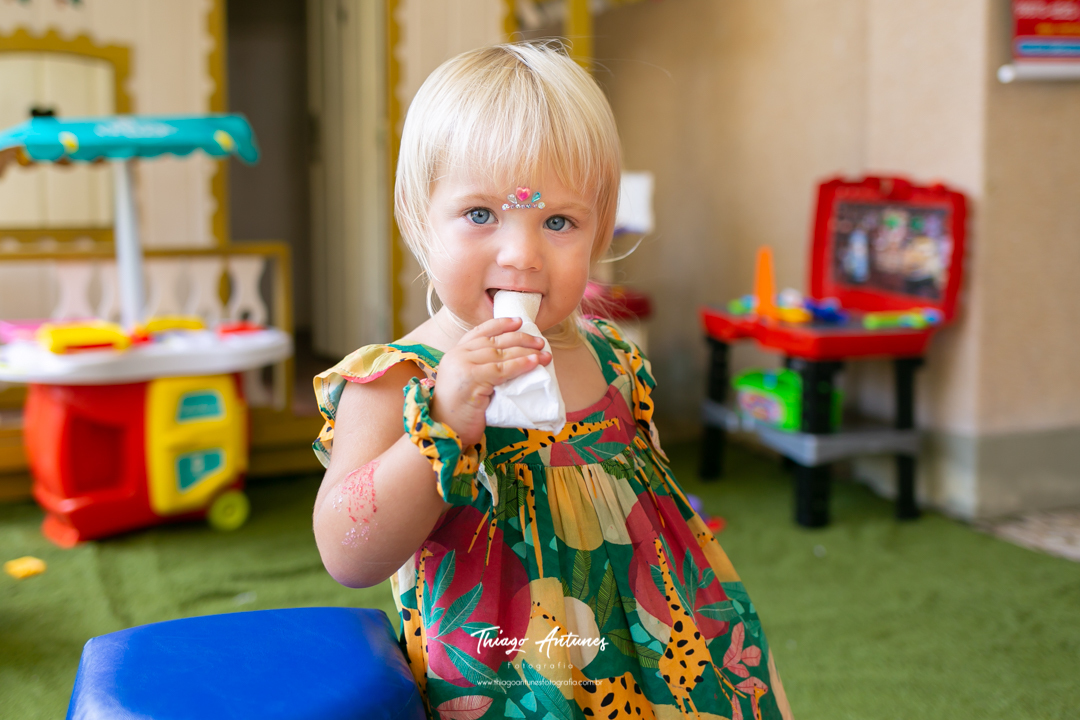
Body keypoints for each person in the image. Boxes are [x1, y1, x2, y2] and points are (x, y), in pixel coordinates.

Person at [311, 42, 794, 720]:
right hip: (506, 681)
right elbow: (346, 553)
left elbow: (655, 512)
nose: (521, 254)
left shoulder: (612, 359)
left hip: (655, 669)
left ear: (598, 235)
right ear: (422, 219)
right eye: (481, 214)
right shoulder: (396, 381)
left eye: (558, 222)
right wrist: (442, 420)